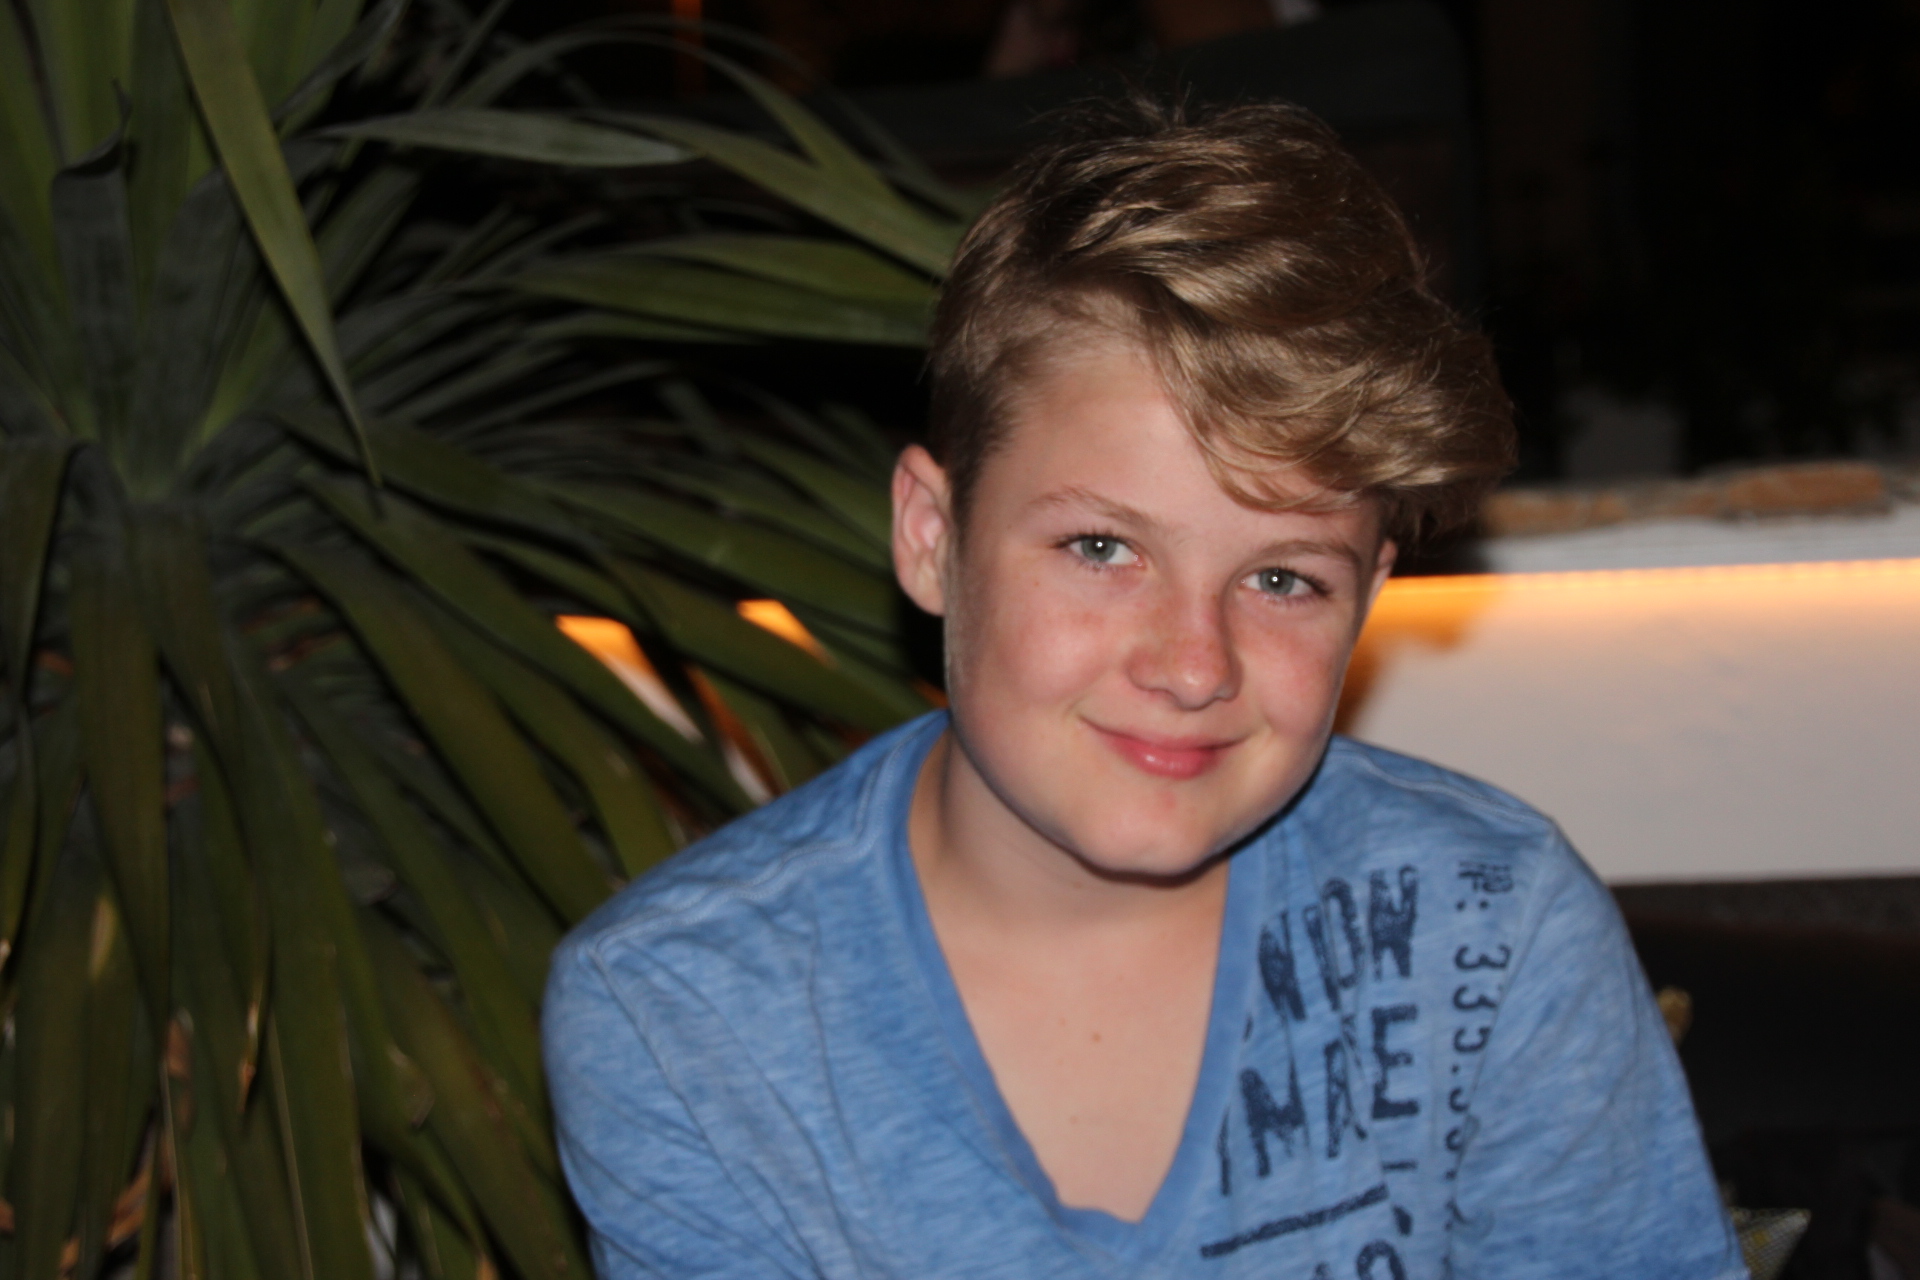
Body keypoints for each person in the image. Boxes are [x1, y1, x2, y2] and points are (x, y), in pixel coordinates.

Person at [543, 96, 1746, 1280]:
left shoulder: (1491, 923)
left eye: (1281, 578)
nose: (1193, 663)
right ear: (931, 536)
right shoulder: (680, 1009)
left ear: (1370, 595)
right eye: (1103, 547)